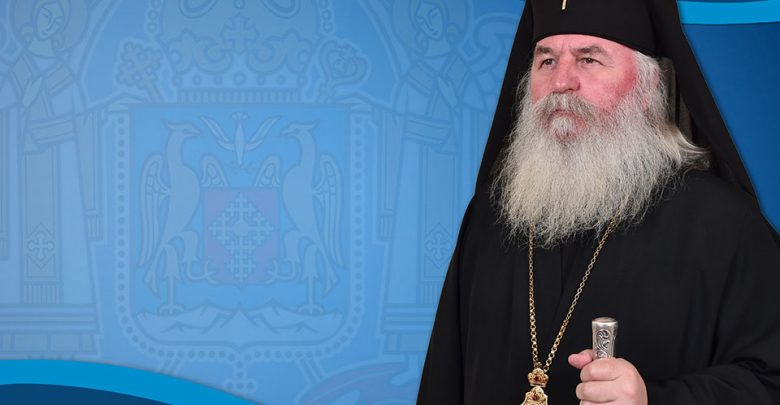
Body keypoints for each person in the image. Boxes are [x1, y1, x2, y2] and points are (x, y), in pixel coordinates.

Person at [417, 0, 780, 404]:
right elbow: (443, 381)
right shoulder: (489, 218)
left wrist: (654, 399)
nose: (561, 82)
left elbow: (771, 379)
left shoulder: (724, 224)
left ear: (648, 88)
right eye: (546, 61)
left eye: (588, 60)